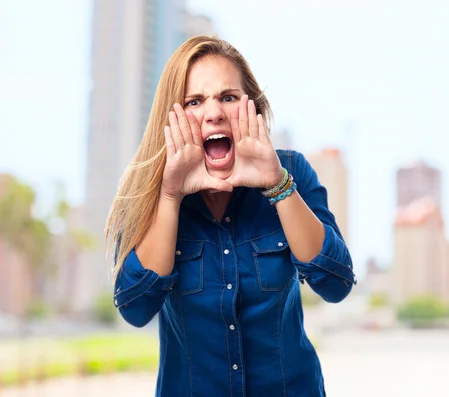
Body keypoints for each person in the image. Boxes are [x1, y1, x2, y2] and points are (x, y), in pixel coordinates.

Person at [106, 35, 356, 396]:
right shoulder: (148, 189)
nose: (214, 113)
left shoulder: (292, 172)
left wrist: (277, 185)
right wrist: (170, 196)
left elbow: (336, 284)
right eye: (194, 101)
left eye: (228, 97)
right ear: (171, 116)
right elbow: (135, 308)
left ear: (251, 107)